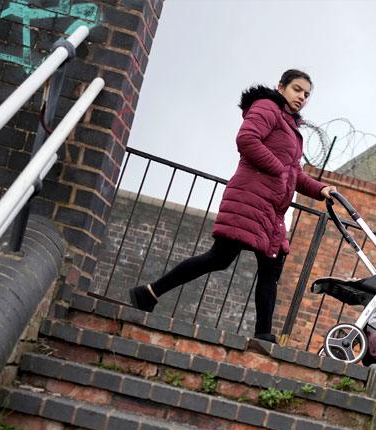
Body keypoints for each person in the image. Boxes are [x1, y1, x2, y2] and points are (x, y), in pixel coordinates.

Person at [129, 69, 337, 344]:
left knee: (266, 267)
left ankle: (261, 333)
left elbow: (295, 173)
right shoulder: (267, 108)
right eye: (297, 89)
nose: (302, 97)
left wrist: (321, 189)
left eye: (307, 94)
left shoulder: (291, 128)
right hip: (250, 200)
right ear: (281, 86)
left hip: (270, 209)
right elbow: (246, 140)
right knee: (223, 258)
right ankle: (150, 293)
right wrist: (278, 169)